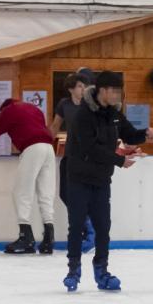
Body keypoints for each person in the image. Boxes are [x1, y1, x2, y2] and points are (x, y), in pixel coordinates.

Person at [63, 71, 153, 291]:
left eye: (120, 91)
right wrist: (119, 160)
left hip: (101, 179)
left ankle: (102, 271)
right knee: (77, 225)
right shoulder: (83, 114)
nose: (118, 95)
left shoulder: (114, 113)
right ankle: (73, 269)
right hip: (78, 178)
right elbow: (89, 147)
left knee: (103, 226)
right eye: (115, 91)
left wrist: (147, 133)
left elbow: (129, 135)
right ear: (103, 91)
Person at [0, 98, 57, 254]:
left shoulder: (9, 111)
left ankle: (26, 237)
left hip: (33, 149)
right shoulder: (34, 109)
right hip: (49, 149)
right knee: (46, 194)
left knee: (21, 193)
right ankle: (49, 238)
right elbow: (34, 129)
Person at [51, 73, 94, 251]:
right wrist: (43, 142)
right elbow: (55, 126)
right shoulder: (64, 104)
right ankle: (86, 225)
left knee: (83, 194)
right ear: (70, 89)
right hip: (69, 155)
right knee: (65, 193)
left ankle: (89, 232)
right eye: (79, 86)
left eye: (85, 86)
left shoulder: (91, 105)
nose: (83, 89)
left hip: (87, 156)